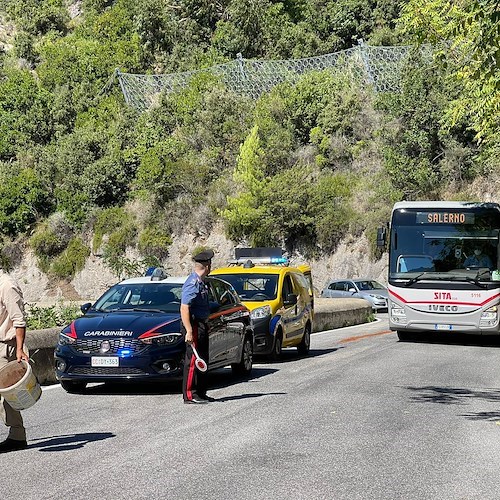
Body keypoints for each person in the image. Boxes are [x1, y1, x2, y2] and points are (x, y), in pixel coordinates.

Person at [0, 270, 29, 453]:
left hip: (5, 346)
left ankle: (17, 435)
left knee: (6, 394)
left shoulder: (7, 285)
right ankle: (17, 435)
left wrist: (19, 349)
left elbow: (19, 320)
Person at [181, 249, 214, 404]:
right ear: (207, 266)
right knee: (193, 360)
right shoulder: (192, 283)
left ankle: (201, 393)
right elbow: (184, 307)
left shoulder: (201, 282)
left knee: (203, 359)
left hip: (201, 324)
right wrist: (188, 330)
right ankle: (190, 395)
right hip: (193, 325)